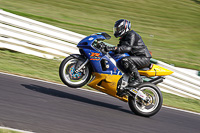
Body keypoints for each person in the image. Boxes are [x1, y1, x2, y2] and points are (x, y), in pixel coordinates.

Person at [105, 19, 152, 91]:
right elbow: (120, 49)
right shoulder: (124, 38)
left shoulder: (131, 34)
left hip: (143, 58)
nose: (117, 31)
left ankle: (138, 79)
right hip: (137, 57)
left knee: (125, 60)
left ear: (124, 28)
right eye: (116, 29)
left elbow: (127, 48)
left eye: (118, 29)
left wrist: (113, 48)